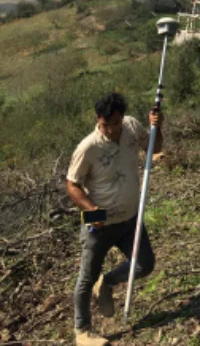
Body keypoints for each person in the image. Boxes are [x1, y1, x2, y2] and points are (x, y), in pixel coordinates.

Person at [66, 92, 163, 346]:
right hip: (100, 225)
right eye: (104, 124)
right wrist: (92, 211)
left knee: (144, 264)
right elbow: (72, 185)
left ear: (122, 118)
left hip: (131, 217)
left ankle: (107, 282)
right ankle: (82, 332)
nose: (110, 129)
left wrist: (157, 126)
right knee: (87, 277)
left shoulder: (131, 126)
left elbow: (155, 147)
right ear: (98, 120)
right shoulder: (89, 147)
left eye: (115, 123)